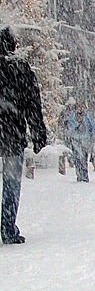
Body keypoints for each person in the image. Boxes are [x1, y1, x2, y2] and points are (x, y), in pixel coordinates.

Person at [0, 26, 46, 245]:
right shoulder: (20, 69)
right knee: (10, 183)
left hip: (8, 132)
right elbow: (32, 104)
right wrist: (38, 133)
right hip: (12, 135)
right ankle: (8, 228)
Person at [66, 101, 95, 183]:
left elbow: (94, 126)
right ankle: (79, 175)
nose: (80, 109)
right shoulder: (72, 116)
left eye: (82, 107)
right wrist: (77, 124)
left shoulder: (88, 116)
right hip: (75, 140)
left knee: (84, 158)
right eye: (78, 107)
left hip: (85, 140)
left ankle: (84, 176)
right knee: (77, 159)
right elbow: (69, 127)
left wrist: (94, 136)